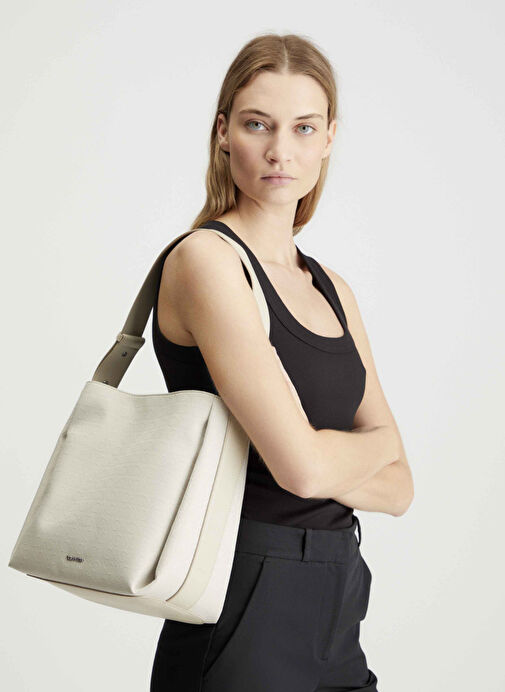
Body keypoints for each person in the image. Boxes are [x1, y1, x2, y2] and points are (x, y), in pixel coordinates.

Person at [149, 32, 414, 692]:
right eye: (257, 124)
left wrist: (323, 457)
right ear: (223, 133)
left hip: (338, 594)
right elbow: (303, 469)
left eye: (303, 128)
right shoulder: (206, 261)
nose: (280, 151)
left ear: (328, 139)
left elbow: (399, 487)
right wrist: (362, 449)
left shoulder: (331, 288)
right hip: (243, 593)